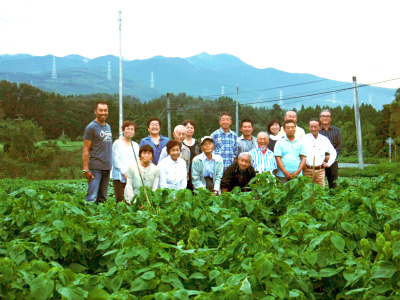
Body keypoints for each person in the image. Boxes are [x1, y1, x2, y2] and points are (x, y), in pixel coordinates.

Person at [83, 101, 113, 204]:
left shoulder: (108, 126)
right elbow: (86, 149)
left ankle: (101, 219)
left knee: (103, 198)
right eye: (101, 110)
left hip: (107, 167)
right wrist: (86, 169)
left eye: (105, 110)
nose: (103, 113)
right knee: (92, 197)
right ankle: (89, 218)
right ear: (95, 111)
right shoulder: (91, 127)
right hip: (95, 167)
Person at [301, 118, 337, 187]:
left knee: (320, 192)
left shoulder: (324, 139)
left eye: (315, 127)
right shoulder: (303, 139)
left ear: (320, 128)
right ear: (309, 127)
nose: (313, 129)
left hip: (320, 171)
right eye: (311, 126)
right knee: (307, 192)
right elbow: (297, 152)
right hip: (307, 170)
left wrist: (328, 163)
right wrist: (301, 162)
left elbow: (333, 152)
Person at [112, 121, 139, 204]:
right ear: (123, 130)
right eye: (127, 129)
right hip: (120, 176)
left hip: (132, 177)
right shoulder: (117, 143)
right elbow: (115, 160)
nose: (130, 131)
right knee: (121, 200)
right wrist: (124, 172)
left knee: (131, 200)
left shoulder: (135, 145)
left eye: (132, 129)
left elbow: (137, 160)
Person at [274, 120, 307, 184]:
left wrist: (298, 172)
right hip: (282, 175)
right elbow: (278, 159)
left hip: (297, 175)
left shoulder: (300, 142)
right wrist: (285, 172)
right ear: (284, 130)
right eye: (288, 128)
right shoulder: (279, 142)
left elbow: (303, 158)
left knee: (297, 193)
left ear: (295, 129)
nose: (290, 129)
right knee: (283, 192)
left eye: (292, 127)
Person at [319, 109, 342, 189]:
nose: (325, 118)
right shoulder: (316, 131)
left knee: (333, 184)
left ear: (331, 118)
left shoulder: (336, 130)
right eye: (323, 116)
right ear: (320, 118)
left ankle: (334, 200)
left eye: (327, 116)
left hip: (333, 162)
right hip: (320, 162)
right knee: (319, 185)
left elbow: (339, 145)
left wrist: (331, 157)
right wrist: (323, 156)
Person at [182, 120, 201, 190]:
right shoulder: (181, 143)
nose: (189, 129)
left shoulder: (197, 144)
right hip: (183, 173)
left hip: (195, 173)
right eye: (187, 127)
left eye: (191, 128)